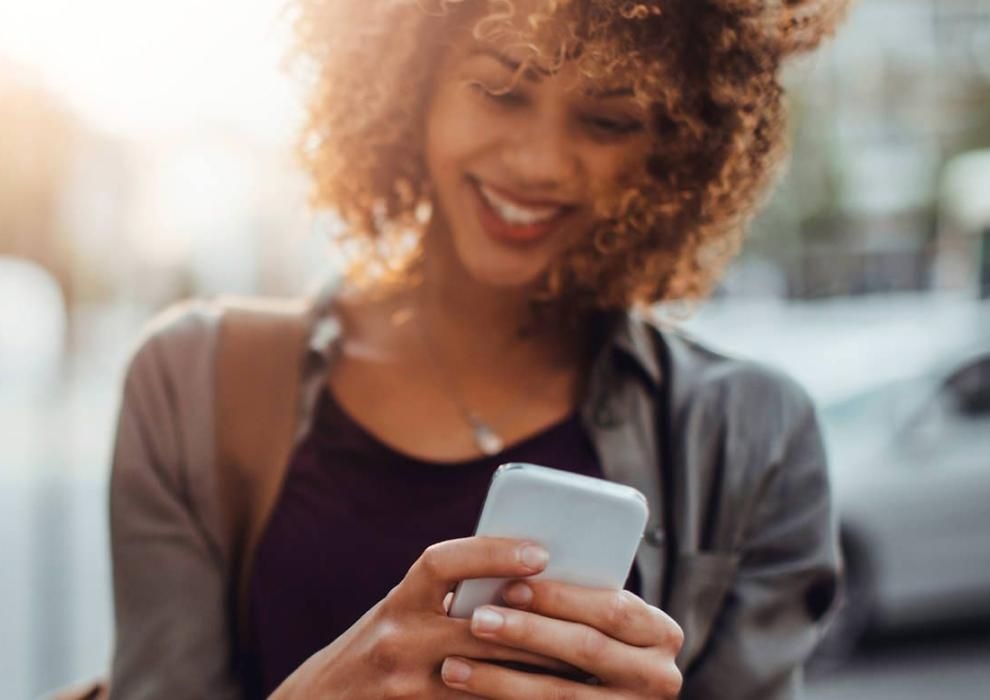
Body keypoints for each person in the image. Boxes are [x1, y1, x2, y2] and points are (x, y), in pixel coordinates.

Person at [105, 0, 850, 698]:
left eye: (608, 120)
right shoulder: (194, 383)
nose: (539, 163)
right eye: (501, 92)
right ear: (409, 83)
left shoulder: (757, 436)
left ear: (675, 148)